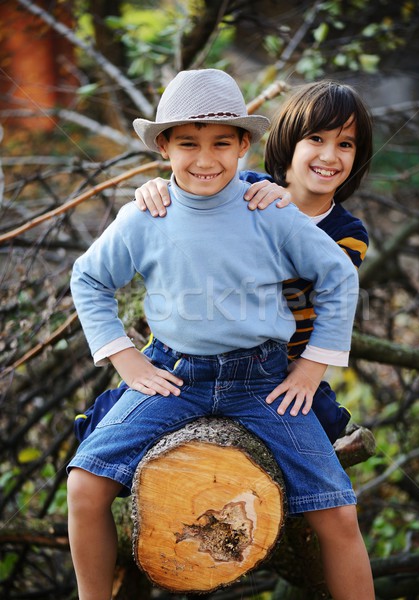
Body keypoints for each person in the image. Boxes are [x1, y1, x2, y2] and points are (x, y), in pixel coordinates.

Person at [67, 69, 374, 600]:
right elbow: (89, 278)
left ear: (244, 146)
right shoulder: (147, 213)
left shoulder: (269, 208)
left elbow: (338, 277)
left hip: (262, 379)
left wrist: (312, 366)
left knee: (338, 511)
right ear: (163, 145)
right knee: (85, 483)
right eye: (188, 143)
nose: (205, 159)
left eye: (221, 144)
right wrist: (125, 359)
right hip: (174, 374)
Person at [131, 79, 373, 442]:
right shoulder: (243, 188)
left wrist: (281, 213)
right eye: (316, 139)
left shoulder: (348, 232)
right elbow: (193, 210)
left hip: (282, 364)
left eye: (345, 144)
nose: (329, 155)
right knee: (118, 407)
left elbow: (305, 279)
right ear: (289, 143)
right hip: (201, 349)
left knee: (323, 418)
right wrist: (158, 189)